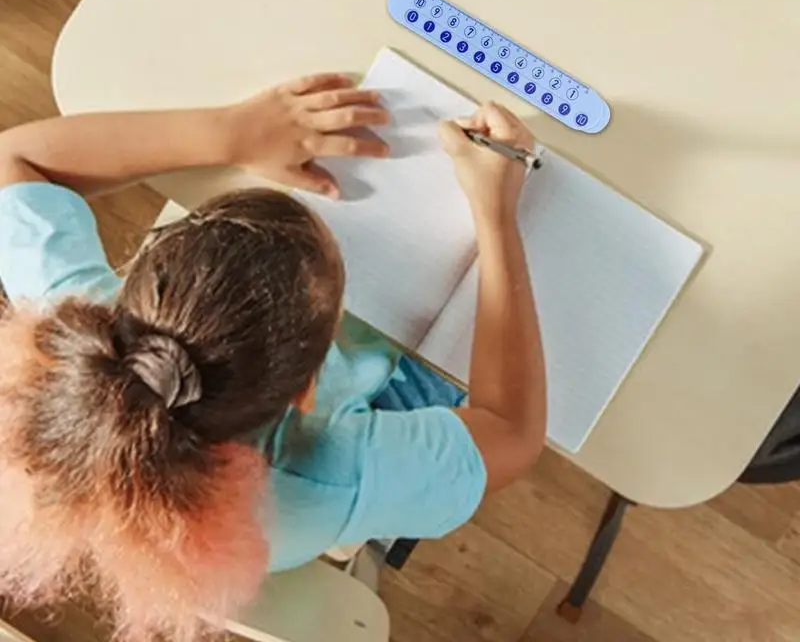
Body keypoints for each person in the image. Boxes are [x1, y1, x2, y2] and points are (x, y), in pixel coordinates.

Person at [0, 73, 546, 641]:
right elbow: (512, 431)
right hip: (281, 508)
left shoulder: (67, 345)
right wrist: (496, 215)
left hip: (154, 510)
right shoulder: (329, 472)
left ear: (140, 286)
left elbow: (13, 157)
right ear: (308, 387)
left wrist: (231, 132)